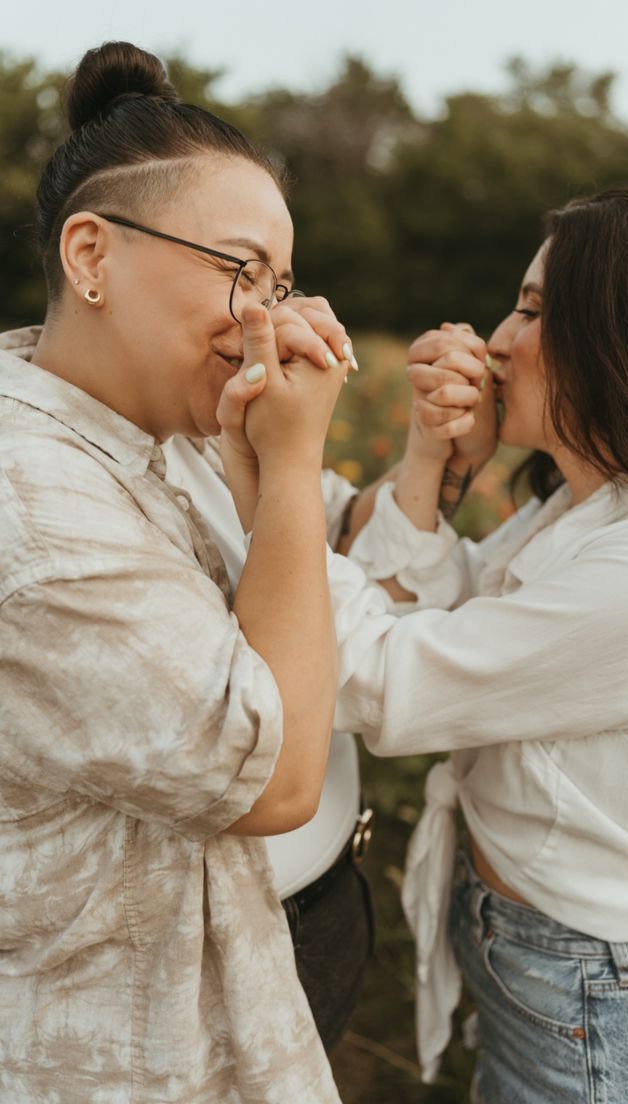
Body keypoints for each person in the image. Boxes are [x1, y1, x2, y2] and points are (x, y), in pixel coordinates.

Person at [0, 40, 360, 1103]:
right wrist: (289, 467)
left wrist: (261, 467)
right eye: (238, 268)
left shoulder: (151, 440)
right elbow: (278, 775)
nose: (267, 314)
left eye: (284, 282)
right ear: (92, 258)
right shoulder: (37, 517)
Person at [323, 184, 628, 1102]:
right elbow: (461, 612)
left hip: (606, 1003)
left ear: (623, 338)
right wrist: (433, 461)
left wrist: (276, 470)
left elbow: (383, 681)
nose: (499, 339)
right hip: (562, 971)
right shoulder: (588, 506)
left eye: (535, 309)